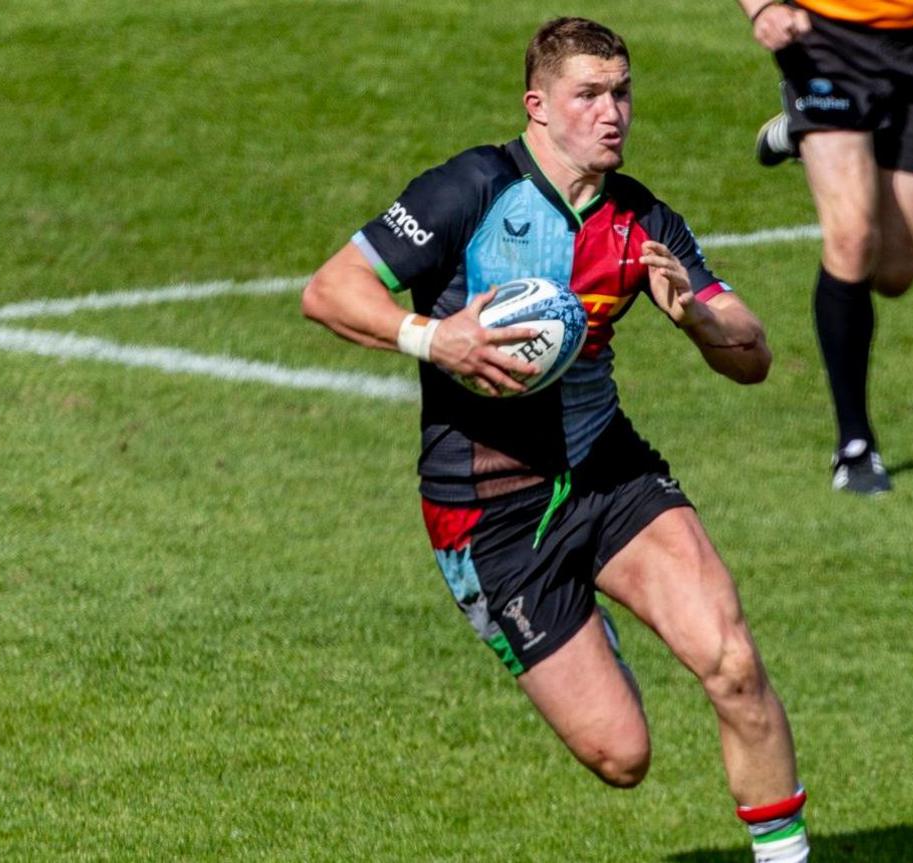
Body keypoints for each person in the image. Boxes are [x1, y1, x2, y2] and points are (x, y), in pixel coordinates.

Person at [301, 18, 809, 862]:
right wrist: (435, 337)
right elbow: (330, 289)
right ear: (538, 105)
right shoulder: (470, 188)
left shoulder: (639, 217)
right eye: (590, 95)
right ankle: (578, 620)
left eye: (623, 92)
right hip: (488, 510)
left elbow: (752, 352)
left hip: (608, 472)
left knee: (732, 660)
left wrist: (700, 322)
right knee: (622, 755)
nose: (613, 112)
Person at [739, 0, 913, 493]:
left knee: (895, 272)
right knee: (852, 240)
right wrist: (762, 7)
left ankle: (802, 132)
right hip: (824, 38)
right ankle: (855, 446)